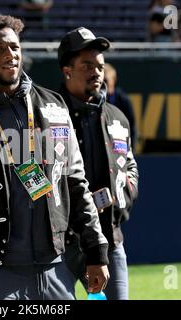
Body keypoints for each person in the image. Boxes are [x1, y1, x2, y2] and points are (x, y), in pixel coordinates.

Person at [0, 15, 109, 300]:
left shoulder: (54, 105)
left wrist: (95, 249)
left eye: (15, 47)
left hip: (57, 270)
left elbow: (76, 181)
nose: (10, 55)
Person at [57, 27, 139, 300]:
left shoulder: (117, 116)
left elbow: (130, 166)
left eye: (100, 66)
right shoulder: (46, 115)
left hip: (108, 238)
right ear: (67, 70)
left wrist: (122, 196)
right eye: (87, 65)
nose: (96, 72)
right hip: (58, 243)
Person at [105, 63, 138, 150]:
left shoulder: (123, 100)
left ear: (114, 79)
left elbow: (132, 127)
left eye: (106, 80)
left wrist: (131, 149)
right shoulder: (93, 100)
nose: (103, 84)